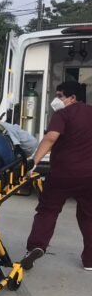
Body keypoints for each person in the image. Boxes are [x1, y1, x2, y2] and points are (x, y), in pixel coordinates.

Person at [23, 80, 92, 272]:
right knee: (89, 215)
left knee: (48, 210)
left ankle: (36, 247)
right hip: (89, 175)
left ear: (72, 98)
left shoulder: (62, 114)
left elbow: (51, 138)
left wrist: (34, 162)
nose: (56, 100)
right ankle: (90, 261)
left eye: (60, 96)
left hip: (62, 173)